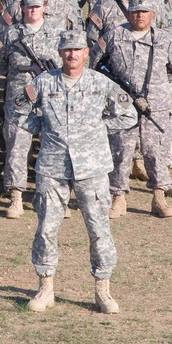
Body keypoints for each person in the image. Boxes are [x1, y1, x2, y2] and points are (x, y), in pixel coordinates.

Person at [21, 30, 138, 314]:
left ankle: (103, 290)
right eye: (67, 50)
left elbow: (129, 114)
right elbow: (19, 111)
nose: (72, 54)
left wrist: (97, 132)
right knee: (47, 227)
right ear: (60, 52)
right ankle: (45, 287)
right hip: (53, 166)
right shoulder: (43, 83)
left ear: (86, 53)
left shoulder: (101, 84)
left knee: (99, 229)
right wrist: (45, 131)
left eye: (77, 50)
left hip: (92, 167)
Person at [95, 0, 172, 219]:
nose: (140, 16)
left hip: (155, 106)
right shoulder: (113, 36)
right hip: (122, 105)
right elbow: (97, 66)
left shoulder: (163, 40)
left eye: (144, 12)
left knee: (155, 151)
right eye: (135, 11)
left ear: (152, 14)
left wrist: (157, 86)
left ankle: (158, 197)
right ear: (129, 13)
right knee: (121, 151)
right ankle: (118, 198)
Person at [0, 0, 64, 219]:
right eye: (28, 5)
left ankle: (49, 194)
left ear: (45, 7)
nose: (33, 10)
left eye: (37, 6)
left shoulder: (57, 34)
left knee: (52, 149)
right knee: (16, 148)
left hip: (49, 101)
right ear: (21, 7)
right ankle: (16, 197)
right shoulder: (10, 36)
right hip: (19, 102)